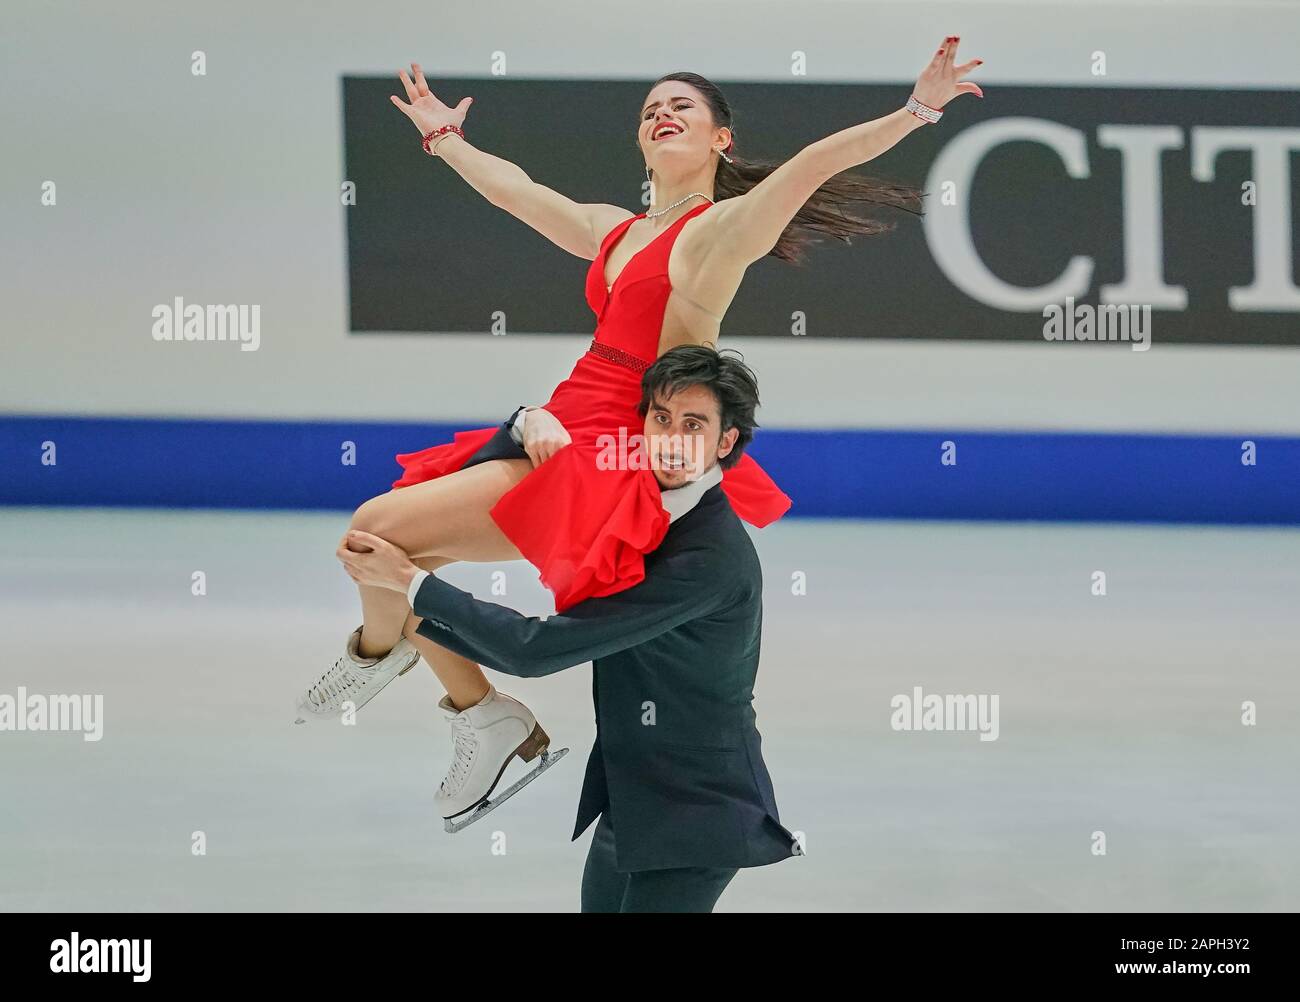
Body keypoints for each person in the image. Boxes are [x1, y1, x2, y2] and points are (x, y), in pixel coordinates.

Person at [296, 41, 983, 823]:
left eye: (681, 105)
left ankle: (389, 662)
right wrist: (443, 136)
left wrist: (917, 109)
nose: (662, 113)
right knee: (390, 550)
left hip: (606, 450)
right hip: (556, 420)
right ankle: (482, 714)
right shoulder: (619, 231)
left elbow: (811, 166)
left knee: (373, 531)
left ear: (721, 139)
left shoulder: (716, 234)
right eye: (650, 107)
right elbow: (517, 193)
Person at [341, 346, 801, 912]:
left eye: (694, 424)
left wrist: (413, 587)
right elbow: (545, 449)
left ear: (725, 442)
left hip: (696, 815)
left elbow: (537, 649)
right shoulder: (633, 501)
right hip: (629, 802)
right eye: (661, 418)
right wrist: (526, 418)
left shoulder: (710, 558)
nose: (673, 439)